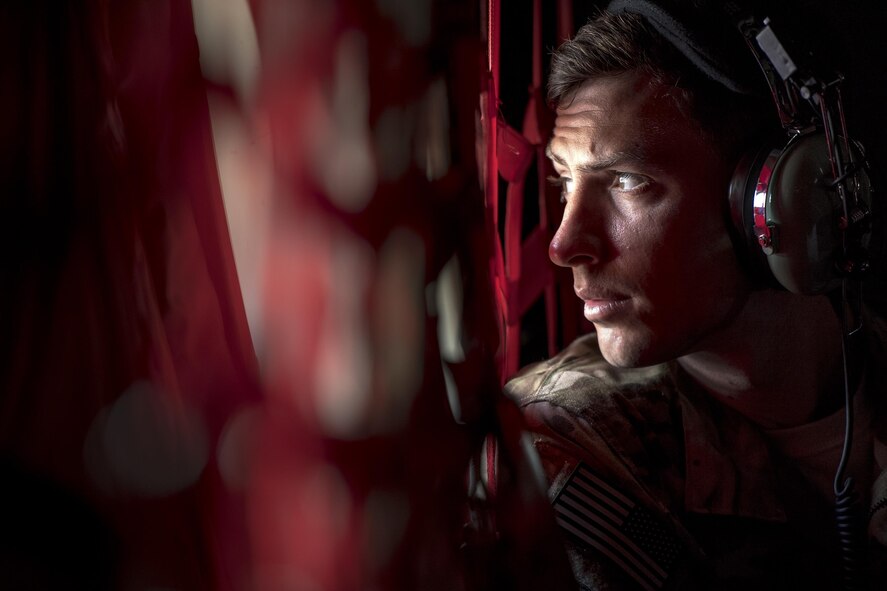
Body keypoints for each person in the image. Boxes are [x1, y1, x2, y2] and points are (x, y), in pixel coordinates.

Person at [504, 1, 887, 589]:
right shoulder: (562, 446)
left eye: (628, 181)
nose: (564, 244)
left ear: (776, 198)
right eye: (565, 183)